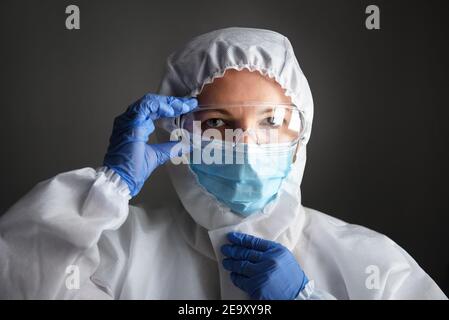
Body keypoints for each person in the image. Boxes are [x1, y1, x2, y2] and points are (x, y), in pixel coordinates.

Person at [0, 27, 446, 300]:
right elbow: (20, 280)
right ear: (179, 133)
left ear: (301, 134)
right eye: (217, 122)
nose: (247, 143)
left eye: (271, 120)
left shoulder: (371, 262)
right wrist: (107, 188)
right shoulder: (118, 253)